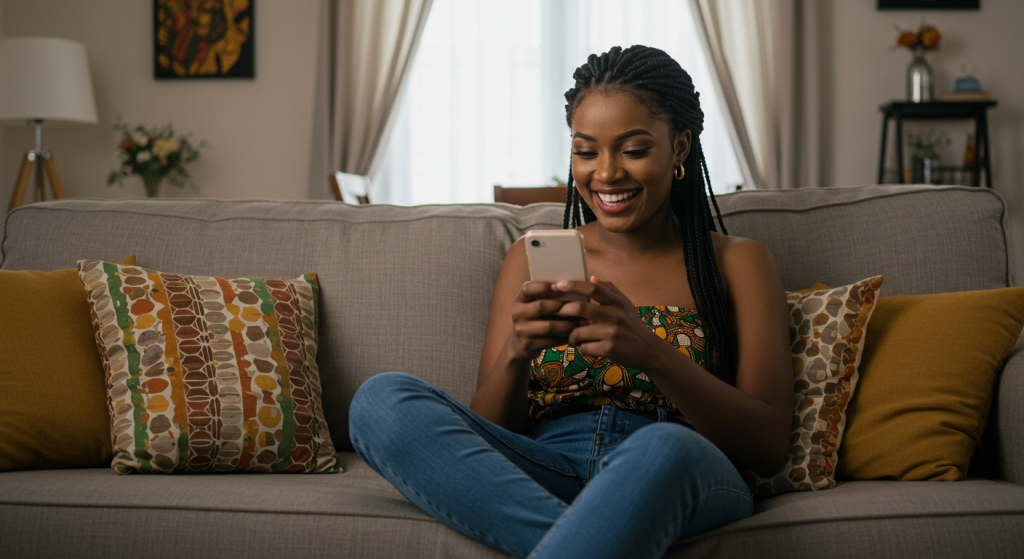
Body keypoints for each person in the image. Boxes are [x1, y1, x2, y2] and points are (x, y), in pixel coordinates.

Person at [349, 45, 791, 559]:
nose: (606, 174)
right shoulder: (528, 258)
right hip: (548, 464)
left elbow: (767, 446)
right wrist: (518, 350)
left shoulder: (739, 261)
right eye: (586, 151)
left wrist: (650, 352)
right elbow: (490, 432)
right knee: (380, 401)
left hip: (678, 464)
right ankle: (594, 535)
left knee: (662, 447)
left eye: (632, 149)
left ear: (680, 148)